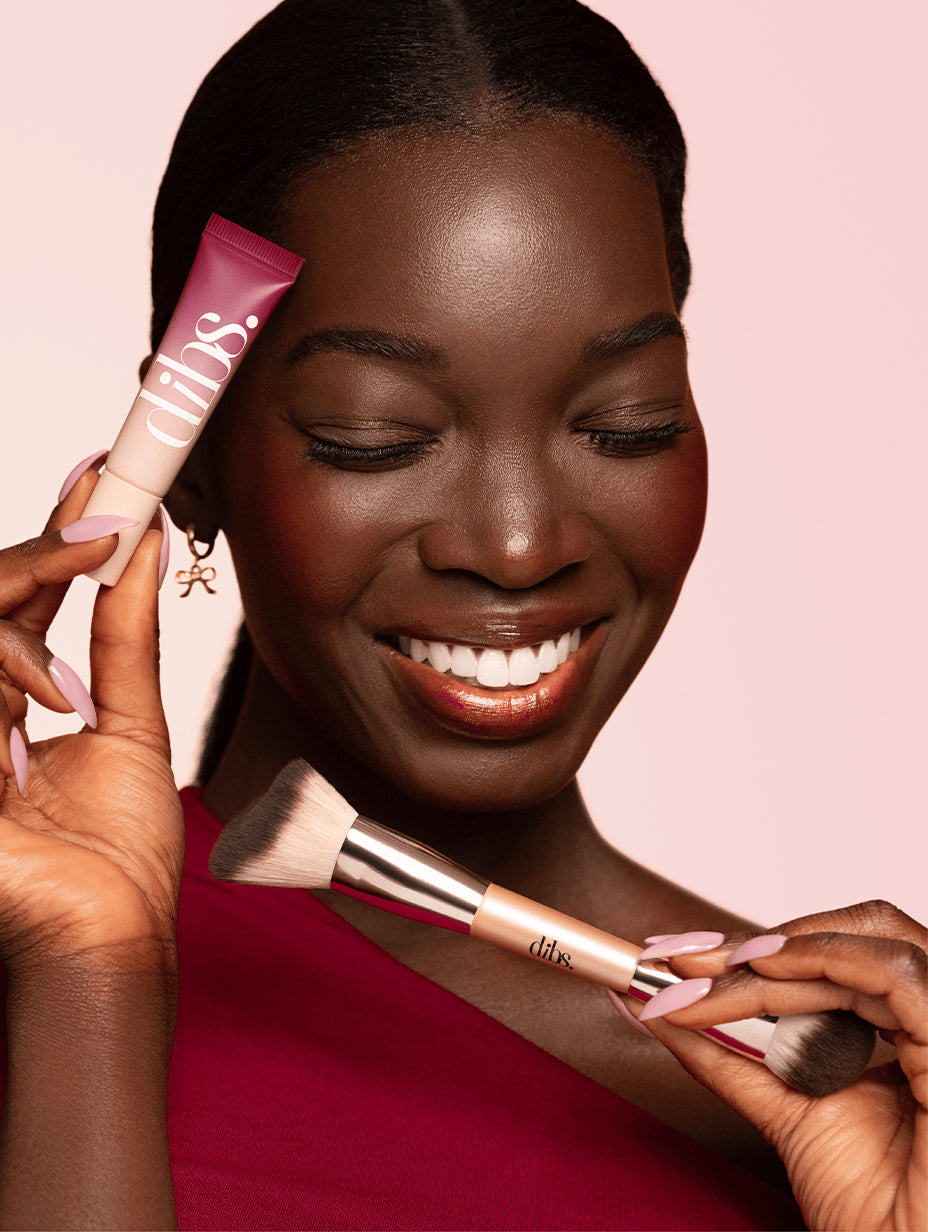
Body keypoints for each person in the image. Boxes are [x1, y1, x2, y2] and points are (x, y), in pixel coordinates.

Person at [0, 2, 924, 1229]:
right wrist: (86, 976)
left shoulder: (858, 1086)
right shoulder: (40, 966)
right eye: (376, 436)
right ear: (195, 459)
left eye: (626, 423)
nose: (518, 543)